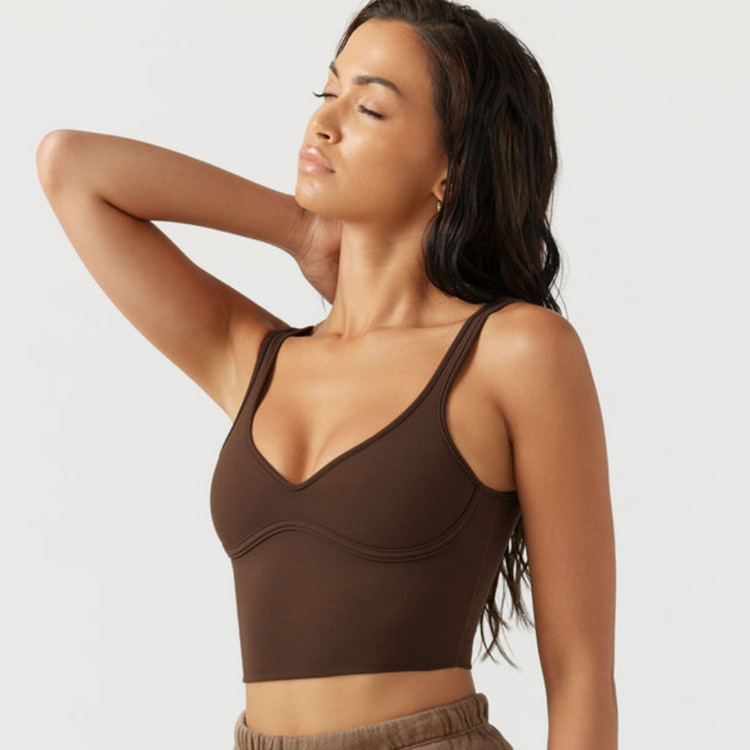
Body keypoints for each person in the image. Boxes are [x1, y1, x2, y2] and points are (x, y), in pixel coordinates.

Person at [36, 0, 617, 748]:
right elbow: (71, 166)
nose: (324, 122)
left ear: (452, 168)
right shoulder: (256, 358)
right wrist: (299, 228)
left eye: (369, 107)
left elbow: (581, 673)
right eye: (327, 92)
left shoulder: (516, 351)